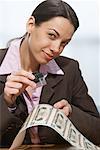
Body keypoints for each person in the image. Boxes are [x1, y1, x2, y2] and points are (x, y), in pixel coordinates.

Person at [0, 0, 100, 148]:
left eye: (64, 43)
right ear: (31, 25)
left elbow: (97, 130)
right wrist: (6, 103)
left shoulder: (69, 69)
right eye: (52, 36)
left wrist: (71, 113)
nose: (56, 48)